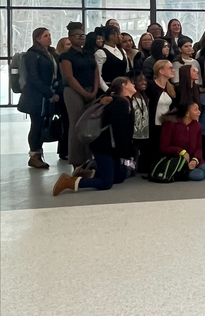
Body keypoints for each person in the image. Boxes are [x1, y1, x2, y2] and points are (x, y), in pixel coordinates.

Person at [53, 76, 136, 195]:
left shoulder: (122, 101)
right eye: (131, 83)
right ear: (124, 85)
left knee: (119, 177)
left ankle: (88, 171)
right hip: (104, 147)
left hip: (111, 147)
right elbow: (120, 131)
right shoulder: (120, 103)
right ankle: (69, 181)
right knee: (106, 183)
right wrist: (127, 154)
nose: (134, 85)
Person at [17, 27, 61, 170]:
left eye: (49, 35)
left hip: (47, 95)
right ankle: (34, 155)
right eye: (45, 36)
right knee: (36, 125)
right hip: (36, 97)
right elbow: (34, 78)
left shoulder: (52, 53)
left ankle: (38, 153)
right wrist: (49, 93)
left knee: (42, 125)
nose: (49, 38)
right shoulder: (32, 55)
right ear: (37, 38)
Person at [59, 25, 99, 170]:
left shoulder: (89, 53)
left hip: (90, 90)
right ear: (70, 38)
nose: (81, 38)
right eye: (77, 36)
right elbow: (69, 77)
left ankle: (88, 157)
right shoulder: (66, 56)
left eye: (83, 35)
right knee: (76, 124)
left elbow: (96, 73)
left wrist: (94, 91)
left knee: (89, 124)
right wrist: (84, 93)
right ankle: (76, 160)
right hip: (73, 91)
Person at [159, 102, 205, 180]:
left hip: (195, 160)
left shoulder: (197, 126)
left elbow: (199, 148)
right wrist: (181, 151)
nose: (199, 112)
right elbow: (164, 147)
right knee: (199, 175)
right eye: (196, 110)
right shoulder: (170, 125)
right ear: (187, 113)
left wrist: (195, 160)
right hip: (178, 162)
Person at [146, 59, 176, 169]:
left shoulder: (171, 87)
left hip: (166, 124)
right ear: (161, 71)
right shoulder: (150, 86)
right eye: (170, 68)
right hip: (152, 124)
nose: (173, 70)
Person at [94, 24, 130, 90]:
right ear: (112, 36)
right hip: (107, 88)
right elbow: (98, 75)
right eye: (118, 34)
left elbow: (127, 71)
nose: (121, 36)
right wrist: (107, 90)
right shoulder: (101, 53)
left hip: (122, 88)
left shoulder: (122, 51)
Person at [131, 71, 150, 173]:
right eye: (140, 80)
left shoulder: (144, 97)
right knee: (130, 169)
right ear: (133, 82)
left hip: (144, 133)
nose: (144, 82)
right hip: (132, 134)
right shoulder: (130, 98)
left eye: (145, 80)